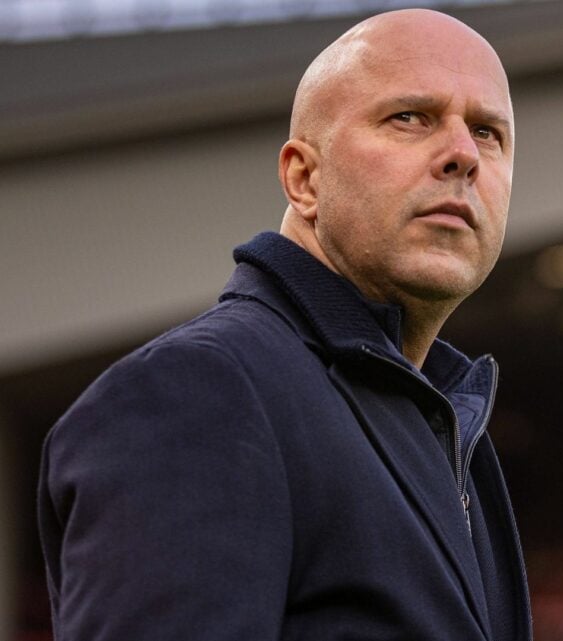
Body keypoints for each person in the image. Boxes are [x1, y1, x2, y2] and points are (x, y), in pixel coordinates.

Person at [38, 9, 531, 640]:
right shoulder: (198, 393)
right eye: (410, 117)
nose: (463, 154)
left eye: (487, 132)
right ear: (304, 178)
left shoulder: (449, 425)